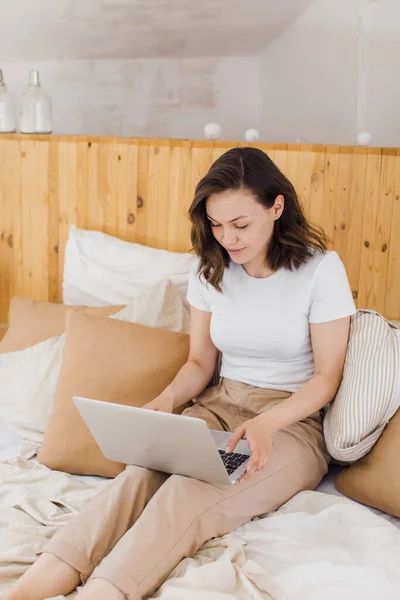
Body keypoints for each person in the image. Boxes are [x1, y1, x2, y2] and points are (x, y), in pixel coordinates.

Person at [4, 147, 356, 600]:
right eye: (216, 224)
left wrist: (268, 422)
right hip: (220, 402)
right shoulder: (211, 269)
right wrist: (165, 404)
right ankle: (36, 584)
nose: (228, 237)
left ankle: (106, 592)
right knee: (139, 476)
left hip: (291, 422)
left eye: (241, 224)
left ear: (276, 206)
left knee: (186, 492)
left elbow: (326, 378)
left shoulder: (320, 270)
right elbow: (199, 364)